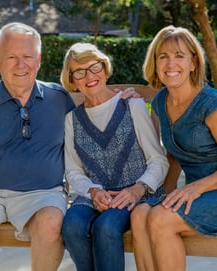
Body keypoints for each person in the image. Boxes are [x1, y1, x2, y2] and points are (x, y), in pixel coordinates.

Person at [0, 22, 138, 271]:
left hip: (43, 194)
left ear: (38, 60)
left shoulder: (59, 98)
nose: (21, 65)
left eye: (28, 57)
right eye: (12, 57)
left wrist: (118, 98)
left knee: (51, 224)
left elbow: (92, 104)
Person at [130, 25, 217, 271]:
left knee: (160, 220)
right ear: (155, 63)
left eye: (179, 56)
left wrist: (194, 188)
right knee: (140, 215)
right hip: (197, 194)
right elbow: (174, 154)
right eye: (163, 56)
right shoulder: (161, 101)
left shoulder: (211, 104)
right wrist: (161, 194)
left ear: (193, 63)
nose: (171, 64)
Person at [60, 42, 169, 271]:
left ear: (105, 68)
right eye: (79, 72)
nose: (89, 76)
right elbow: (73, 171)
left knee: (106, 227)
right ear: (72, 81)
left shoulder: (133, 106)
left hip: (136, 194)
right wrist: (92, 190)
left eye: (95, 67)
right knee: (71, 225)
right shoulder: (72, 120)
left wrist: (138, 189)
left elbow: (158, 160)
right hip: (94, 194)